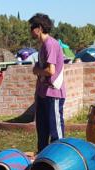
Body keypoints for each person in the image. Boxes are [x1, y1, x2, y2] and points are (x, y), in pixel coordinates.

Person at [29, 13, 66, 152]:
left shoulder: (50, 44)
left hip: (53, 93)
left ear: (39, 28)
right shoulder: (43, 45)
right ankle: (43, 159)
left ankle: (60, 157)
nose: (30, 30)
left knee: (55, 130)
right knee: (42, 130)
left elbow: (51, 70)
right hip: (43, 93)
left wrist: (37, 70)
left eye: (32, 27)